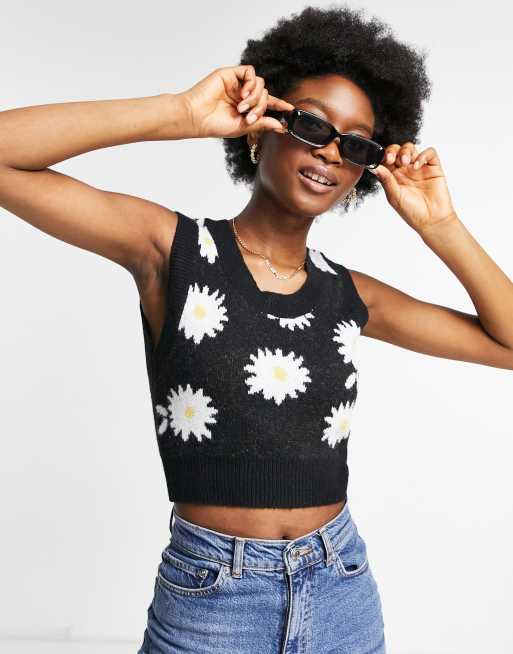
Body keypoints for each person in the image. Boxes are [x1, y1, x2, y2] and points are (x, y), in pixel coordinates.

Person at [1, 5, 512, 653]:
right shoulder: (172, 249)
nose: (330, 151)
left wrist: (440, 225)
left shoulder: (348, 293)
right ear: (258, 129)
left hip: (340, 588)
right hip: (212, 598)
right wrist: (180, 114)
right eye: (311, 124)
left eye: (355, 145)